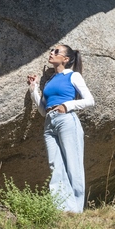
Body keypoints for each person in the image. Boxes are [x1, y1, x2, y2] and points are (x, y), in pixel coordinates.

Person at [27, 45, 94, 213]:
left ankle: (76, 210)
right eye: (51, 50)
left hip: (66, 120)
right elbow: (43, 110)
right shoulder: (50, 81)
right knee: (55, 166)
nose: (51, 53)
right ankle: (62, 208)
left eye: (56, 52)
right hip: (49, 122)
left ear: (66, 59)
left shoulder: (73, 76)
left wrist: (67, 105)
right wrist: (34, 89)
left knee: (73, 163)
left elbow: (90, 100)